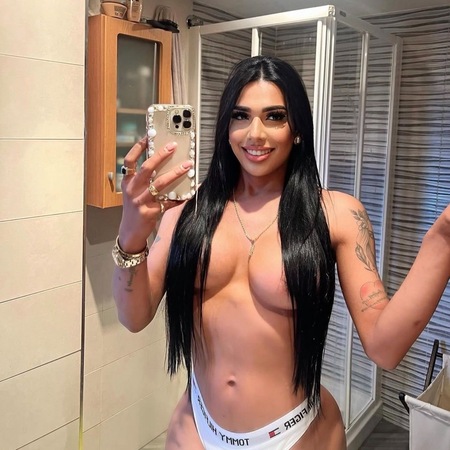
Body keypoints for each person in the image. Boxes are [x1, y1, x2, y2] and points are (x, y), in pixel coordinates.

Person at [112, 56, 450, 450]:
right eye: (241, 116)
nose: (255, 134)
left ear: (298, 130)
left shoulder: (336, 214)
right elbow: (134, 316)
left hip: (297, 435)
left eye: (275, 116)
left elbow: (384, 347)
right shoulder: (188, 210)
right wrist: (131, 234)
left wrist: (443, 237)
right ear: (225, 127)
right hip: (197, 430)